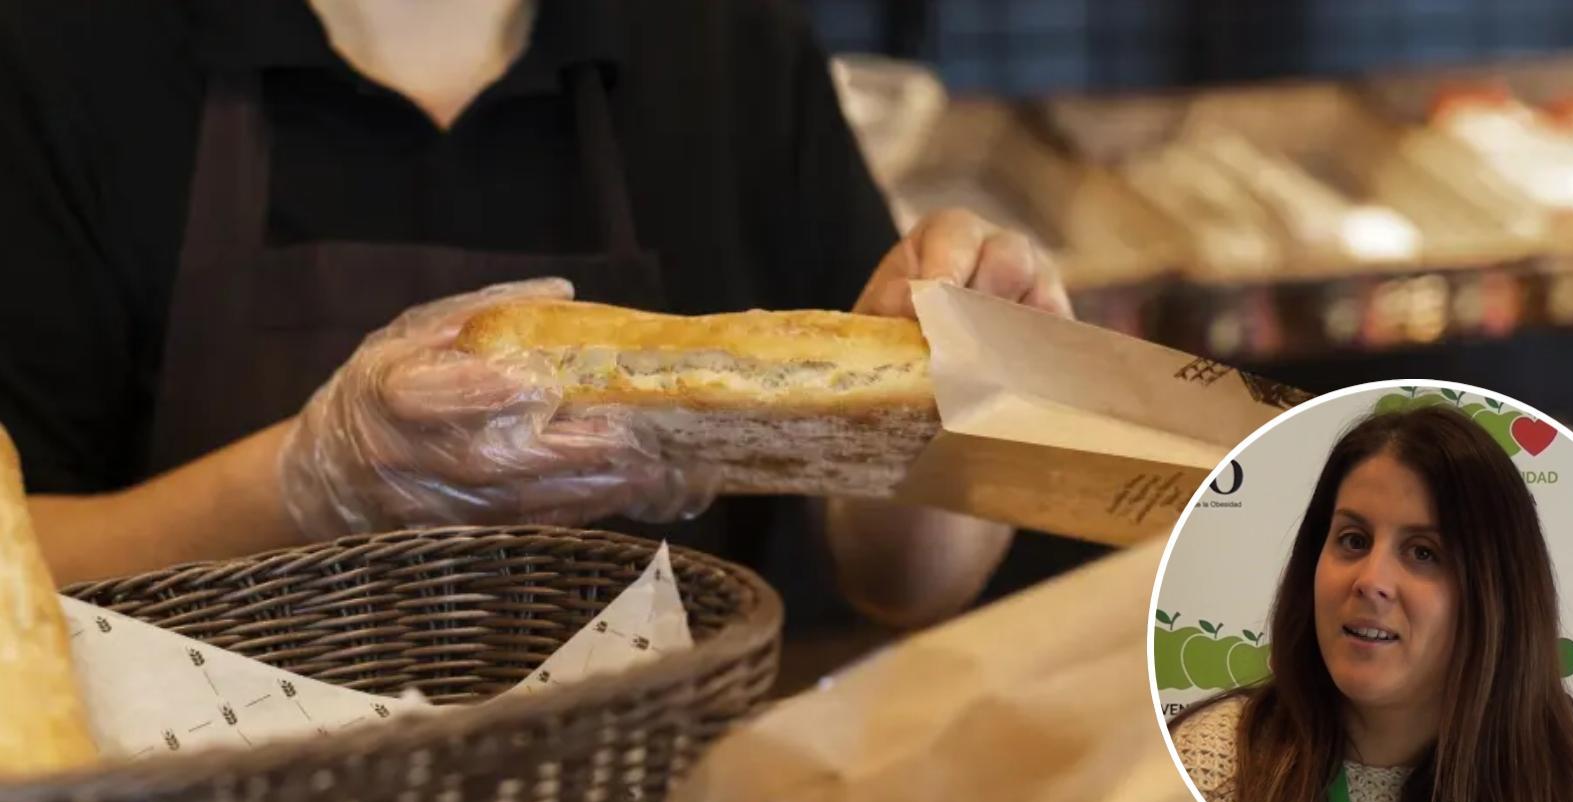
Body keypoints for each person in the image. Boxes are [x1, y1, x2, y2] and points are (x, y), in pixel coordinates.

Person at [0, 0, 1072, 629]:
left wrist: (960, 391)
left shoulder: (719, 44)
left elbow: (895, 581)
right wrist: (313, 480)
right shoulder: (69, 55)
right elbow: (19, 565)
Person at [1169, 405, 1573, 802]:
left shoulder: (1566, 801)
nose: (1371, 580)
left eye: (1423, 552)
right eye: (1353, 541)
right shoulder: (1213, 768)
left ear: (1495, 596)